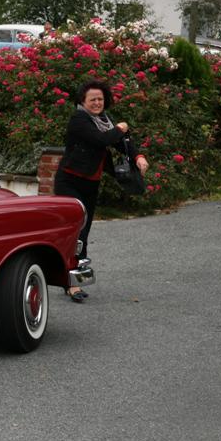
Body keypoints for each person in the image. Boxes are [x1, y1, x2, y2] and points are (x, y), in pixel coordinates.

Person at [54, 80, 149, 302]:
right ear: (83, 102)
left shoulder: (104, 120)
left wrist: (138, 156)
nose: (97, 103)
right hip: (70, 182)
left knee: (84, 232)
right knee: (75, 230)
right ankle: (70, 283)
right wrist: (120, 129)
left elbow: (121, 142)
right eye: (92, 100)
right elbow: (101, 140)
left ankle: (74, 279)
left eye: (100, 99)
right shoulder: (79, 119)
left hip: (91, 183)